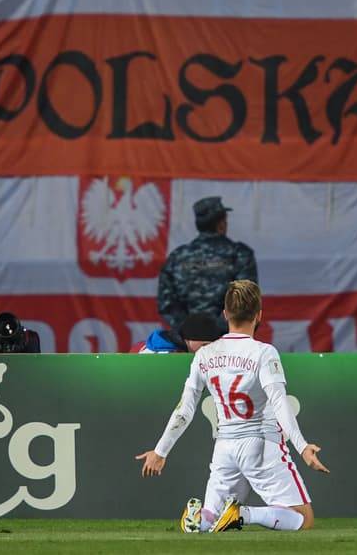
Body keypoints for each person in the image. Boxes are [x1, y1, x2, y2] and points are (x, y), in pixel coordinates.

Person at [136, 280, 329, 533]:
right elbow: (280, 403)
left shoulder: (204, 354)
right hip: (261, 443)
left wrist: (160, 452)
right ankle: (243, 515)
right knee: (303, 519)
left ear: (226, 314)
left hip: (224, 446)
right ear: (259, 315)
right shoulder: (264, 353)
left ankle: (198, 519)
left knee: (213, 516)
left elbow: (185, 409)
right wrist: (302, 447)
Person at [157, 196, 257, 334]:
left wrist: (191, 332)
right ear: (221, 224)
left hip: (189, 343)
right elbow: (244, 299)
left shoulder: (177, 257)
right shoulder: (239, 254)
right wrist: (217, 332)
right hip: (228, 343)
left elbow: (166, 304)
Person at [130, 312, 223, 354]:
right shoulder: (175, 358)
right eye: (204, 345)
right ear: (188, 340)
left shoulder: (142, 345)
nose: (210, 349)